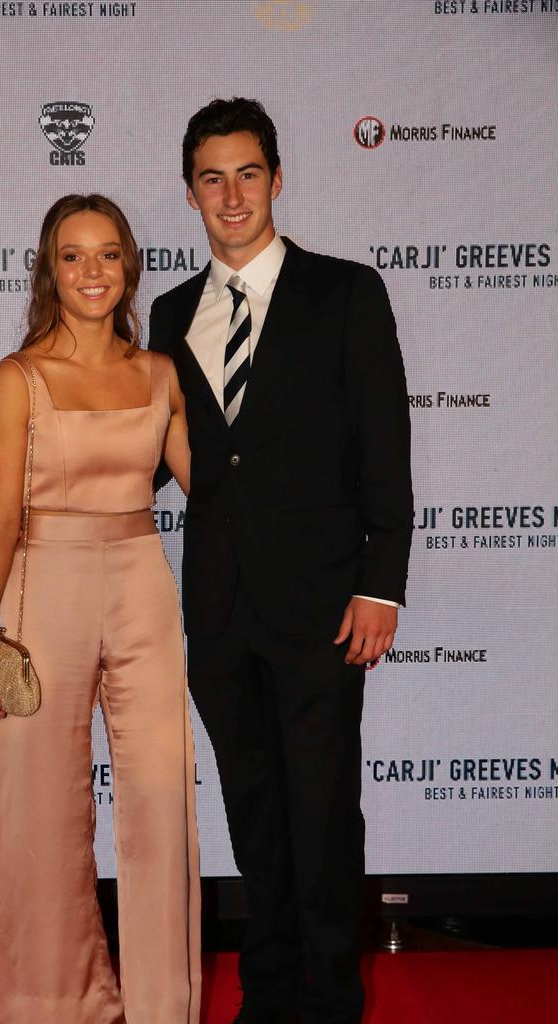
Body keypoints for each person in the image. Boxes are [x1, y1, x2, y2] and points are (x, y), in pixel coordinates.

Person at [149, 99, 413, 1024]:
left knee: (322, 818)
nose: (231, 195)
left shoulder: (344, 291)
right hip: (218, 615)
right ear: (190, 192)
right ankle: (267, 1002)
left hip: (323, 610)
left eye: (247, 173)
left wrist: (381, 581)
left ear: (277, 177)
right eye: (211, 178)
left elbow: (384, 447)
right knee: (256, 822)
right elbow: (165, 454)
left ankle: (330, 1003)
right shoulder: (170, 311)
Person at [0, 193, 200, 1024]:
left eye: (107, 255)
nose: (91, 271)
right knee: (38, 806)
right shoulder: (17, 378)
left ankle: (163, 1006)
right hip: (44, 584)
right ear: (49, 269)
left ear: (129, 266)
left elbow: (215, 489)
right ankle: (46, 1005)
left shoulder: (160, 374)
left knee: (160, 796)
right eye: (73, 255)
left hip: (141, 580)